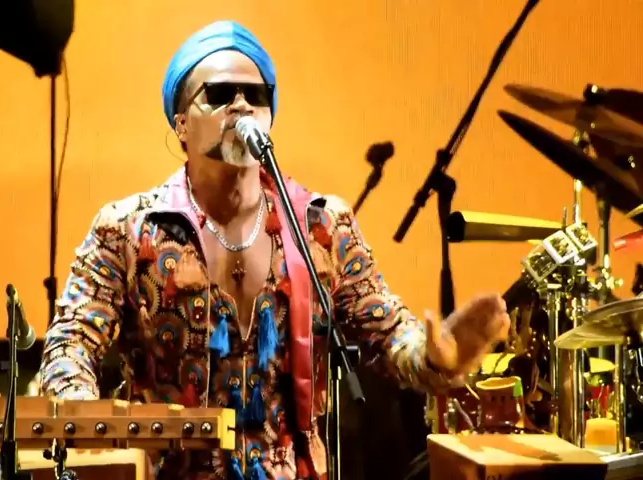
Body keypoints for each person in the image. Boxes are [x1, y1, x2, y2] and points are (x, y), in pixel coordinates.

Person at [39, 20, 510, 480]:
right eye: (220, 94)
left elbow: (389, 336)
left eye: (256, 94)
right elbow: (69, 342)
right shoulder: (127, 229)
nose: (242, 104)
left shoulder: (321, 225)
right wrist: (81, 413)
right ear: (181, 124)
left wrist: (436, 358)